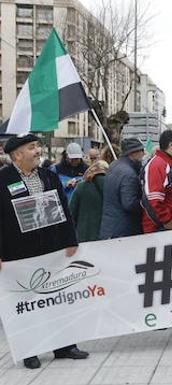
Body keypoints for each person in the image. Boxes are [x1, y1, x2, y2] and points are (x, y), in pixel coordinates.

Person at [0, 134, 89, 369]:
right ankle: (31, 349)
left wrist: (70, 240)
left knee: (57, 298)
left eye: (38, 146)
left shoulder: (48, 176)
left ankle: (64, 346)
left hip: (52, 248)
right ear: (17, 155)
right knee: (27, 302)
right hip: (18, 252)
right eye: (32, 148)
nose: (38, 151)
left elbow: (64, 209)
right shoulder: (3, 179)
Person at [141, 130, 172, 233]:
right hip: (161, 230)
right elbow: (154, 198)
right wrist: (167, 221)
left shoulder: (171, 165)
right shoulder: (158, 164)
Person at [99, 138, 145, 239]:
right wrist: (145, 203)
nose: (144, 154)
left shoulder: (113, 166)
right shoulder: (129, 174)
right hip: (123, 232)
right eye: (141, 151)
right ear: (134, 153)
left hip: (109, 228)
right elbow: (129, 204)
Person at [69, 160, 109, 242]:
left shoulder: (81, 187)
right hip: (106, 236)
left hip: (84, 237)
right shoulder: (111, 185)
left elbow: (71, 213)